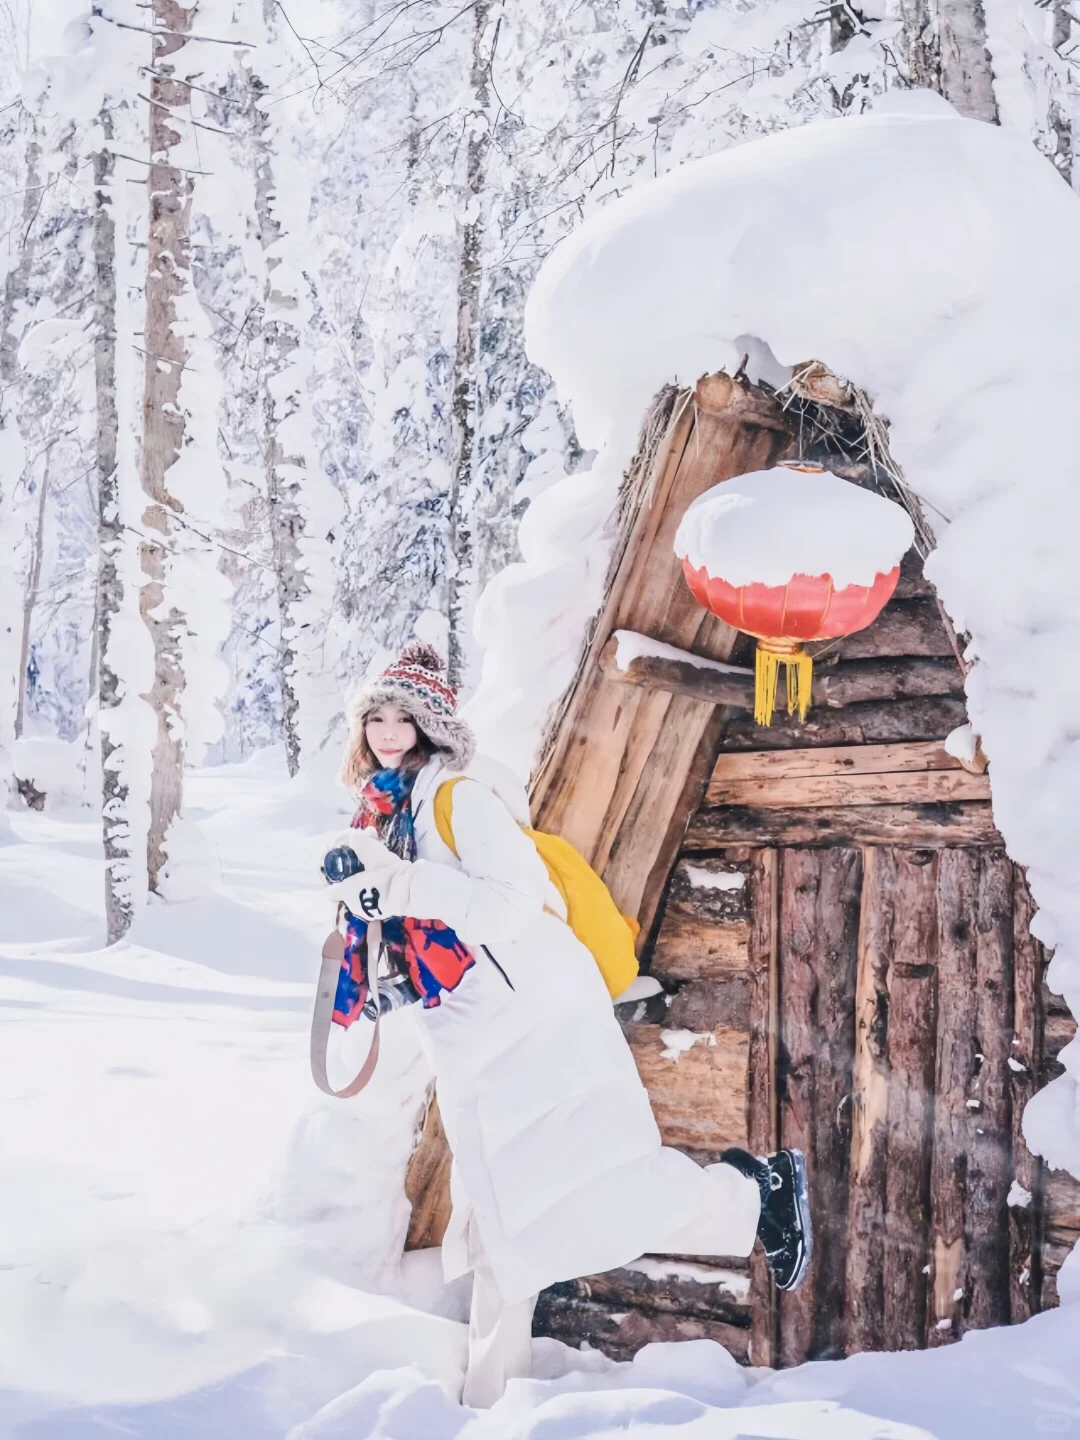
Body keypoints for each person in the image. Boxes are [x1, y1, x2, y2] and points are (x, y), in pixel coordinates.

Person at [327, 642, 812, 1407]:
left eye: (405, 716)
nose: (389, 730)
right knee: (497, 1222)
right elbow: (428, 941)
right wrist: (381, 959)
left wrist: (400, 888)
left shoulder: (459, 799)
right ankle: (491, 1408)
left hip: (534, 1023)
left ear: (434, 726)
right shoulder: (389, 815)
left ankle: (758, 1193)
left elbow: (512, 905)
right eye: (376, 717)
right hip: (471, 1039)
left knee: (589, 1184)